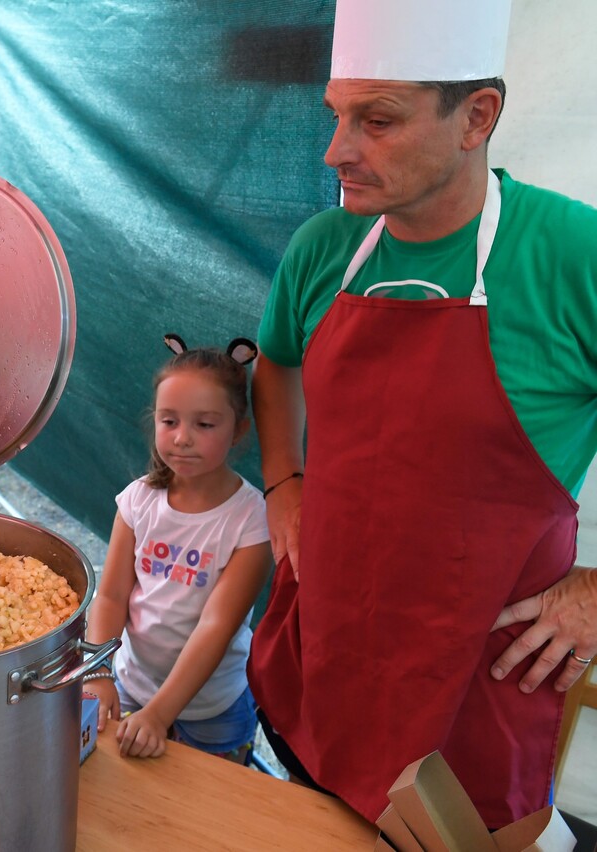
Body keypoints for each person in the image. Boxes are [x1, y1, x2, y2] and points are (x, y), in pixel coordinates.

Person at [247, 0, 597, 831]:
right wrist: (282, 482)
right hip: (328, 654)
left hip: (479, 686)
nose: (337, 152)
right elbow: (274, 363)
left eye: (378, 120)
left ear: (477, 116)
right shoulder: (325, 247)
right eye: (336, 116)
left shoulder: (571, 254)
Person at [85, 336, 270, 762]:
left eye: (204, 425)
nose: (183, 438)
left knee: (207, 813)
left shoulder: (250, 518)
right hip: (131, 685)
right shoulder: (137, 500)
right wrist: (98, 672)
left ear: (239, 429)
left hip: (214, 708)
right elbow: (111, 596)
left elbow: (216, 626)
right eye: (170, 421)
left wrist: (159, 714)